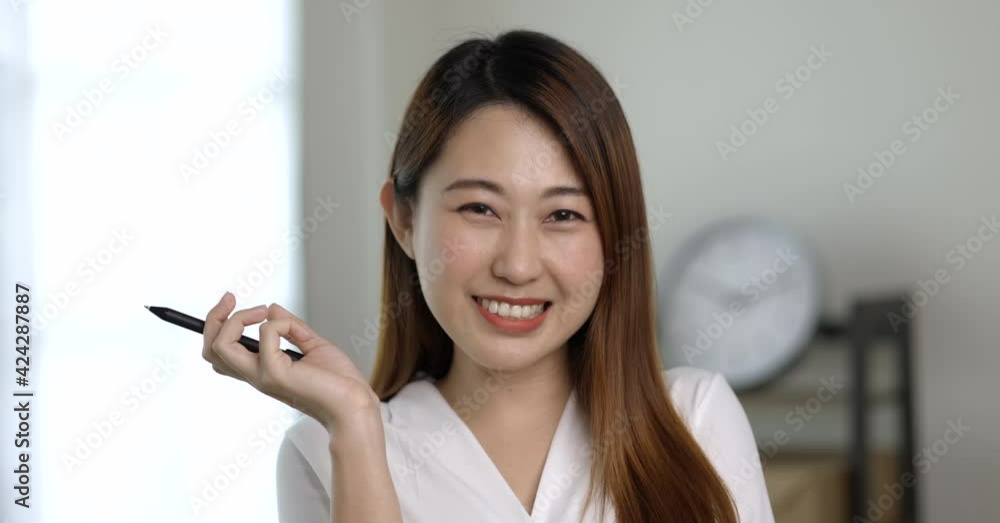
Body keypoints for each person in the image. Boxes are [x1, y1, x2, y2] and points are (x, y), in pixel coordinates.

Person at [201, 29, 775, 523]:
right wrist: (355, 428)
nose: (518, 266)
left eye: (563, 215)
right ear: (404, 220)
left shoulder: (694, 421)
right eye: (480, 209)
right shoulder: (323, 451)